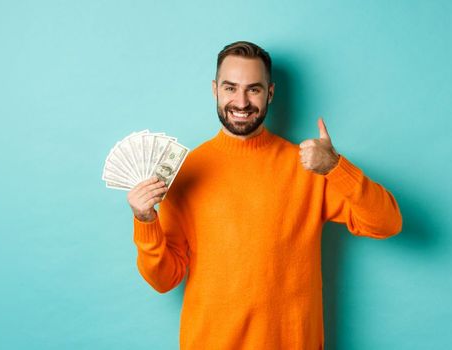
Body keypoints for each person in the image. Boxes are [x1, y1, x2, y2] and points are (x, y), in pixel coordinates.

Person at [127, 41, 402, 349]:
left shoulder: (309, 166)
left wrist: (336, 167)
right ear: (215, 90)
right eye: (230, 88)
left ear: (270, 93)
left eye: (253, 90)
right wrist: (144, 219)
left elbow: (387, 223)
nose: (241, 102)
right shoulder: (185, 171)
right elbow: (164, 280)